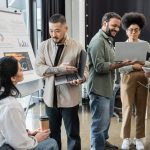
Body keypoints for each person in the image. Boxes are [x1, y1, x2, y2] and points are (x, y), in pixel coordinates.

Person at [35, 14, 88, 150]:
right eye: (51, 30)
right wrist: (58, 69)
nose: (53, 34)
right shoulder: (43, 46)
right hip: (49, 98)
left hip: (70, 98)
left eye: (57, 30)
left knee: (73, 134)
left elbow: (85, 70)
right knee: (53, 135)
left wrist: (81, 79)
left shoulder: (77, 46)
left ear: (66, 28)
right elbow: (39, 68)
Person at [87, 12, 130, 150]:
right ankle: (97, 147)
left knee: (105, 121)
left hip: (109, 87)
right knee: (98, 124)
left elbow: (110, 61)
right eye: (114, 26)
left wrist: (123, 61)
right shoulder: (98, 41)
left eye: (118, 27)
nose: (117, 29)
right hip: (99, 89)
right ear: (104, 23)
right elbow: (100, 67)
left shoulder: (108, 39)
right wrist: (121, 64)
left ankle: (103, 143)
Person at [0, 56, 58, 150]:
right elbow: (20, 145)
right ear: (13, 78)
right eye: (20, 69)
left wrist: (27, 133)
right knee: (51, 142)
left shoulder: (5, 99)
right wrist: (36, 138)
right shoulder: (11, 106)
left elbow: (7, 128)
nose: (23, 70)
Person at [119, 12, 150, 150]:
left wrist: (142, 63)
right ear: (126, 31)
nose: (133, 32)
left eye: (136, 29)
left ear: (140, 30)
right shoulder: (121, 47)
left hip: (143, 78)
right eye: (131, 29)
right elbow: (120, 68)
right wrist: (133, 66)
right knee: (127, 108)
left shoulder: (146, 45)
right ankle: (126, 138)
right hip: (127, 79)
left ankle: (139, 138)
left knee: (141, 109)